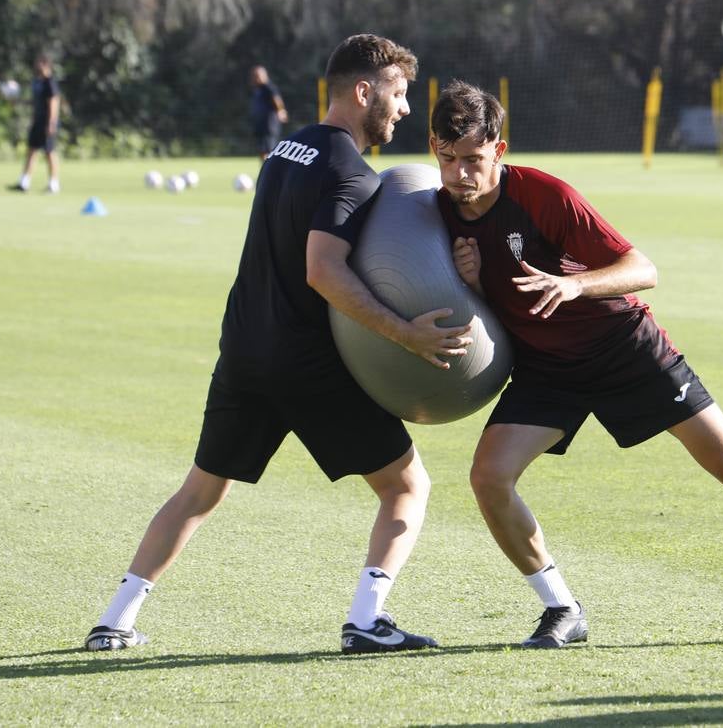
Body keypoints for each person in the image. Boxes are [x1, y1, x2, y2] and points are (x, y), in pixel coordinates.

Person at [428, 80, 723, 649]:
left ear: (499, 151)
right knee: (489, 476)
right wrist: (472, 283)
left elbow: (642, 268)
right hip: (547, 367)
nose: (460, 175)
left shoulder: (546, 196)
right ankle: (562, 608)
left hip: (625, 348)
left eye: (474, 161)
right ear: (434, 146)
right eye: (448, 158)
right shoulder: (437, 212)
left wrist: (573, 284)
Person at [84, 35, 473, 654]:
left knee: (200, 490)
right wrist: (403, 333)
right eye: (398, 95)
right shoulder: (350, 171)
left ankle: (114, 620)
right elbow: (324, 271)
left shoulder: (285, 150)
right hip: (307, 363)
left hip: (243, 350)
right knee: (406, 486)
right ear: (363, 91)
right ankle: (367, 620)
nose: (403, 110)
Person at [9, 56, 61, 193]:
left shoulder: (50, 83)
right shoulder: (38, 82)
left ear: (46, 65)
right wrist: (19, 102)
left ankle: (53, 183)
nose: (37, 66)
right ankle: (24, 182)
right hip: (37, 122)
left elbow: (54, 103)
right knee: (31, 151)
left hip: (47, 122)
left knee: (49, 152)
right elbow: (35, 102)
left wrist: (51, 123)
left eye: (40, 64)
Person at [250, 65, 290, 160]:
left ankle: (270, 172)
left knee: (269, 150)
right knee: (262, 150)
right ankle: (265, 171)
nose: (256, 78)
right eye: (255, 75)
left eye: (258, 75)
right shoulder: (258, 89)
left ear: (265, 75)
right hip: (260, 124)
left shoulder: (268, 87)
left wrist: (281, 111)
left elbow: (276, 99)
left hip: (269, 125)